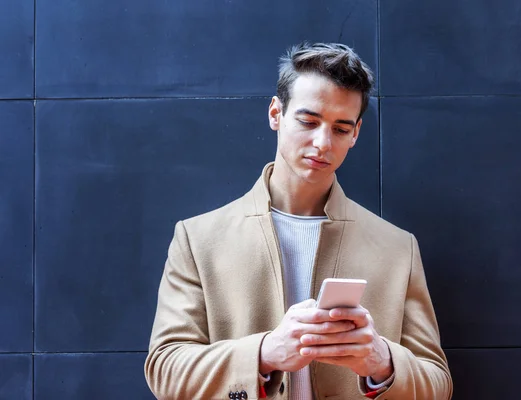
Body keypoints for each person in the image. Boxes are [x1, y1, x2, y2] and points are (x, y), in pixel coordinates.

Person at [144, 42, 452, 400]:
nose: (322, 143)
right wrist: (265, 352)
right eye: (308, 121)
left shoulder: (398, 247)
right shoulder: (198, 239)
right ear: (276, 114)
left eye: (340, 129)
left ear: (356, 133)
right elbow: (165, 371)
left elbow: (438, 383)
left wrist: (381, 361)